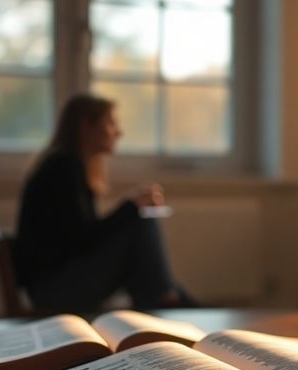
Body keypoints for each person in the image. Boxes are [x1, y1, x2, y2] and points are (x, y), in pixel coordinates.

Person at [14, 93, 192, 311]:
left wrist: (131, 206)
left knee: (139, 232)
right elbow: (83, 240)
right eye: (110, 123)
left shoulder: (65, 163)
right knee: (140, 222)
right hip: (53, 290)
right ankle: (165, 298)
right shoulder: (63, 166)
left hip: (52, 284)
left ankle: (165, 296)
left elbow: (81, 237)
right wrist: (131, 206)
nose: (118, 132)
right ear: (86, 126)